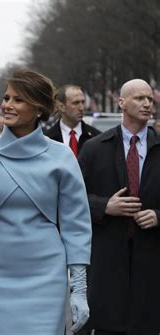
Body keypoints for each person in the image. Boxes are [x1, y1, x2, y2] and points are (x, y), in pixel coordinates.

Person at [0, 69, 92, 334]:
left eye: (18, 99)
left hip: (47, 274)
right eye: (6, 98)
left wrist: (79, 288)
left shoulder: (62, 156)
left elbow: (76, 224)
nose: (7, 105)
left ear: (38, 109)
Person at [78, 79, 160, 334]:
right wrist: (104, 207)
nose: (147, 104)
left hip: (152, 263)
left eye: (150, 99)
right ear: (121, 103)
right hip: (107, 261)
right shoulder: (94, 149)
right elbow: (71, 201)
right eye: (139, 98)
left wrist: (159, 215)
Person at [45, 84, 101, 156]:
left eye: (83, 102)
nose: (81, 108)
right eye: (76, 103)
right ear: (61, 107)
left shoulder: (96, 137)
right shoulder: (47, 139)